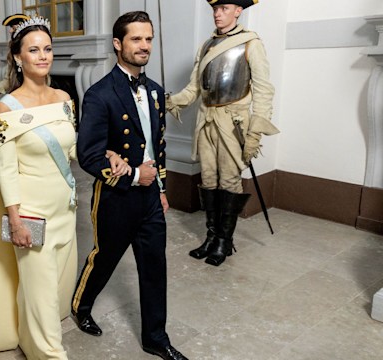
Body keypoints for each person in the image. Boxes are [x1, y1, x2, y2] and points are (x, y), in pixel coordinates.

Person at [0, 16, 129, 359]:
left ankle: (28, 333)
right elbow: (5, 172)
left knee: (51, 289)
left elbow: (71, 151)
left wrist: (106, 153)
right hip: (31, 214)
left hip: (65, 208)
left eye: (48, 49)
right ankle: (50, 353)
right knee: (38, 290)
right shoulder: (7, 107)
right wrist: (16, 221)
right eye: (33, 50)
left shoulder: (64, 98)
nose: (43, 56)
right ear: (18, 58)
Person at [71, 11, 187, 360]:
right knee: (104, 258)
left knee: (154, 266)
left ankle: (155, 337)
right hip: (116, 196)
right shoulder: (99, 94)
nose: (144, 46)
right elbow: (88, 154)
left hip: (151, 197)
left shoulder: (154, 90)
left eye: (148, 38)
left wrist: (161, 189)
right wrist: (136, 175)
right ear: (118, 44)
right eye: (136, 39)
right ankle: (82, 305)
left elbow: (157, 146)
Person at [167, 0, 279, 267]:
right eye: (215, 9)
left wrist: (254, 133)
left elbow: (264, 90)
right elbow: (194, 88)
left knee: (229, 181)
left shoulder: (252, 43)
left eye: (224, 8)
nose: (217, 14)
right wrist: (170, 101)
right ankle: (211, 237)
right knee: (208, 179)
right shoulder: (206, 46)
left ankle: (224, 242)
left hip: (233, 123)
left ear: (238, 11)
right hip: (206, 120)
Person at [0, 13, 30, 96]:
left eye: (13, 28)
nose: (10, 31)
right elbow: (8, 81)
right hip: (18, 95)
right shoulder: (12, 52)